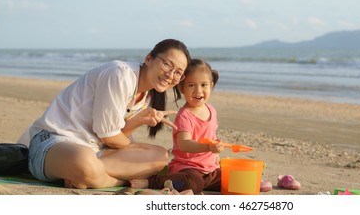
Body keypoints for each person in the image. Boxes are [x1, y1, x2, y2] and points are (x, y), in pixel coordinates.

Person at [17, 39, 191, 189]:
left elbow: (111, 139)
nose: (170, 75)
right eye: (167, 64)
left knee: (160, 156)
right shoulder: (120, 74)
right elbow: (109, 137)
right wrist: (129, 154)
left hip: (95, 150)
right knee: (84, 161)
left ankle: (85, 176)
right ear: (148, 58)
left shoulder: (147, 96)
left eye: (178, 72)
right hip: (53, 142)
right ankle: (110, 180)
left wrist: (137, 121)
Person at [130, 59, 223, 194]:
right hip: (188, 168)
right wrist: (208, 147)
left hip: (210, 169)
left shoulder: (212, 110)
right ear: (181, 88)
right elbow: (184, 144)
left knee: (230, 178)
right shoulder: (184, 115)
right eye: (191, 85)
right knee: (192, 183)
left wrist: (216, 155)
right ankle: (154, 181)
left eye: (204, 85)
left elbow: (211, 136)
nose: (198, 91)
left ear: (211, 86)